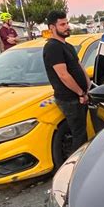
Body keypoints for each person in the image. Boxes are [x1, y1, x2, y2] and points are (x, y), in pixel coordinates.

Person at [43, 10, 91, 154]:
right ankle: (75, 165)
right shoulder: (52, 47)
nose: (67, 27)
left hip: (80, 96)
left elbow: (79, 65)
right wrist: (80, 93)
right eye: (62, 24)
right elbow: (63, 75)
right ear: (52, 28)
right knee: (79, 135)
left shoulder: (67, 46)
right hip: (70, 99)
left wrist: (88, 83)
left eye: (67, 23)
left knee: (82, 132)